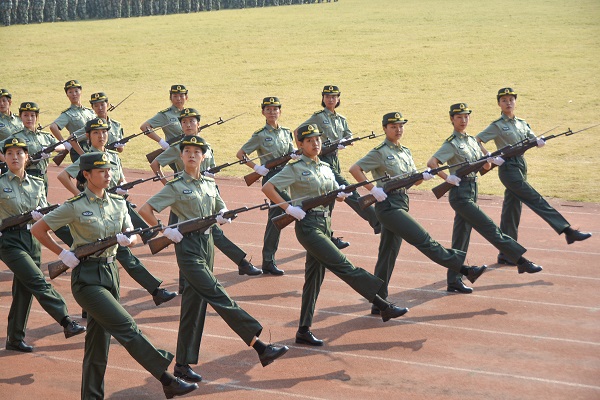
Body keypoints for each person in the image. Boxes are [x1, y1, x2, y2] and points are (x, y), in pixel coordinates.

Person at [31, 152, 197, 399]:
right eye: (101, 171)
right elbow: (38, 228)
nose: (108, 174)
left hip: (111, 274)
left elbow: (129, 231)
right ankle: (166, 378)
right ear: (86, 175)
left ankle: (91, 396)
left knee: (98, 344)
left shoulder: (118, 203)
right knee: (127, 327)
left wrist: (129, 237)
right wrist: (63, 253)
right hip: (87, 279)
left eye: (109, 170)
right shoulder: (75, 205)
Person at [139, 135, 289, 382]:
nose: (191, 155)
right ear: (181, 156)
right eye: (187, 151)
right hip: (187, 248)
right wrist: (165, 230)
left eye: (196, 152)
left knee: (193, 307)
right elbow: (146, 210)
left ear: (204, 156)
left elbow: (221, 207)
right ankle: (260, 346)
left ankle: (182, 366)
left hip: (207, 245)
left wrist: (223, 216)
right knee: (217, 292)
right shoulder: (175, 186)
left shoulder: (209, 184)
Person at [262, 124, 409, 347]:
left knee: (313, 280)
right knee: (343, 265)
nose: (316, 143)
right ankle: (382, 304)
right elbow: (268, 188)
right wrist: (289, 209)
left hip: (324, 224)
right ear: (300, 145)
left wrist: (339, 195)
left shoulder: (326, 167)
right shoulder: (294, 168)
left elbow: (334, 195)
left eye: (318, 139)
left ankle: (303, 330)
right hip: (308, 226)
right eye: (310, 140)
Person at [349, 112, 487, 309]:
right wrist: (374, 190)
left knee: (387, 256)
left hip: (401, 202)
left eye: (400, 126)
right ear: (384, 129)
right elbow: (355, 169)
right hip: (388, 207)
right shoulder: (379, 152)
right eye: (393, 126)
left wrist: (423, 176)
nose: (398, 130)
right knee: (424, 240)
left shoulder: (405, 151)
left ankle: (378, 302)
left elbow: (411, 180)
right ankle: (464, 268)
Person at [57, 117, 177, 306]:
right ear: (88, 136)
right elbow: (63, 176)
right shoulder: (87, 159)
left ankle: (152, 290)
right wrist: (80, 196)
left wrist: (122, 186)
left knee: (121, 252)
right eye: (96, 132)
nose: (101, 136)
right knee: (122, 255)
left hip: (112, 208)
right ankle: (155, 290)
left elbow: (120, 178)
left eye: (104, 132)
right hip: (93, 213)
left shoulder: (113, 156)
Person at [427, 103, 544, 293]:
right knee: (489, 227)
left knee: (461, 238)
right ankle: (520, 260)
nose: (463, 120)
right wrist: (448, 177)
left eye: (466, 117)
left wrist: (489, 161)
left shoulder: (473, 141)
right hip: (460, 194)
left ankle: (453, 280)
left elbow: (485, 168)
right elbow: (432, 163)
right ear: (451, 119)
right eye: (459, 117)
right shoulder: (451, 143)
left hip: (472, 191)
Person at [476, 88, 591, 265]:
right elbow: (477, 140)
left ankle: (506, 253)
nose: (508, 102)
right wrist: (489, 156)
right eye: (504, 100)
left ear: (515, 101)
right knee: (535, 199)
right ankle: (567, 231)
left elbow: (532, 139)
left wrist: (539, 142)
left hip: (521, 166)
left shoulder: (522, 123)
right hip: (508, 169)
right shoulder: (497, 125)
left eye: (511, 99)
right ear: (499, 103)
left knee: (511, 211)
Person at [152, 107, 261, 279]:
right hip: (184, 195)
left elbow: (211, 170)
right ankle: (242, 262)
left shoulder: (206, 146)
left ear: (198, 124)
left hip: (205, 194)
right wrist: (169, 184)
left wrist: (210, 175)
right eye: (184, 122)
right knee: (190, 235)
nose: (188, 125)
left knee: (188, 236)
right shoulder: (178, 148)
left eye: (192, 121)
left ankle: (189, 282)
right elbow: (155, 164)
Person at [1, 137, 85, 353]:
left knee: (24, 289)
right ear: (4, 157)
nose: (14, 157)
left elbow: (47, 216)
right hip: (8, 241)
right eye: (9, 153)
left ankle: (14, 338)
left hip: (32, 240)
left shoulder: (37, 183)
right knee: (37, 280)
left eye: (19, 153)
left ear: (27, 157)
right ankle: (66, 320)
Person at [298, 85, 381, 249]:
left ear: (338, 99)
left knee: (329, 200)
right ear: (323, 99)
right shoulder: (318, 117)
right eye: (327, 96)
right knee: (348, 189)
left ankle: (325, 235)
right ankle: (377, 222)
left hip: (334, 160)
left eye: (334, 96)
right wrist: (306, 154)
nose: (330, 99)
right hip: (322, 160)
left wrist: (344, 142)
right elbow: (298, 131)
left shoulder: (341, 119)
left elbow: (347, 134)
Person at [236, 96, 298, 275]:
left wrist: (293, 155)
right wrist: (256, 168)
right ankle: (269, 260)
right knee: (293, 209)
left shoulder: (286, 132)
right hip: (271, 178)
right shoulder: (260, 135)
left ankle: (268, 261)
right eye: (268, 109)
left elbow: (290, 152)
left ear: (280, 111)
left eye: (275, 109)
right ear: (263, 112)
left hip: (286, 176)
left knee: (275, 221)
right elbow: (241, 154)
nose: (272, 112)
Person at [49, 80, 95, 162]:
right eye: (70, 92)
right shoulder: (67, 114)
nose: (74, 94)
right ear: (67, 94)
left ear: (81, 92)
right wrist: (65, 144)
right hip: (78, 146)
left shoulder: (90, 112)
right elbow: (53, 126)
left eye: (76, 91)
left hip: (92, 146)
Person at [140, 84, 188, 153]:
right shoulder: (165, 114)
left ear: (186, 97)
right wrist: (162, 142)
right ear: (170, 98)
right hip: (174, 152)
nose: (178, 99)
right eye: (175, 96)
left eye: (181, 96)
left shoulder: (189, 114)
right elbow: (144, 127)